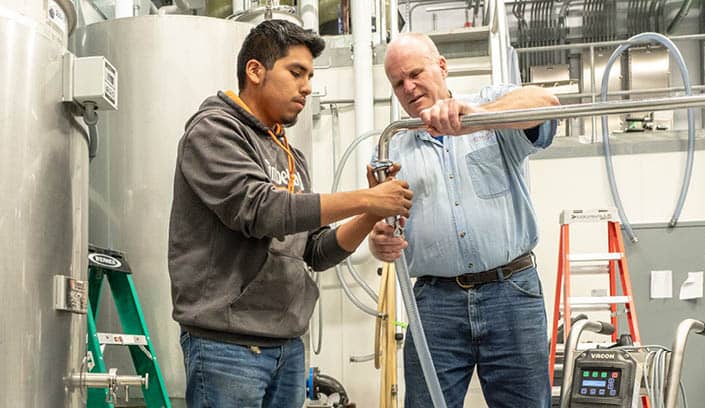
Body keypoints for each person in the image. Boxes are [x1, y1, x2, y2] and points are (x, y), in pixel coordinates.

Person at [168, 20, 412, 408]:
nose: (307, 87)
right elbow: (260, 209)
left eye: (311, 75)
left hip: (287, 346)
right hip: (227, 347)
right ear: (255, 70)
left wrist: (369, 212)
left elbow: (313, 250)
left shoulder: (289, 155)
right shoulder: (214, 130)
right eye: (296, 72)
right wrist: (366, 200)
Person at [369, 32, 560, 408]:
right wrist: (379, 241)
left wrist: (480, 118)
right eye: (397, 83)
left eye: (415, 73)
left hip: (511, 293)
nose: (408, 87)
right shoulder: (393, 144)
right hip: (435, 301)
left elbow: (547, 102)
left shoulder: (488, 107)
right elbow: (384, 225)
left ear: (441, 66)